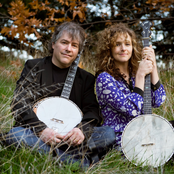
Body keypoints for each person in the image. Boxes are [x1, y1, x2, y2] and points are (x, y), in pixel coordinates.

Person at [5, 21, 115, 168]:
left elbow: (92, 111)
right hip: (39, 135)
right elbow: (19, 103)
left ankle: (52, 156)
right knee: (16, 135)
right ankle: (75, 162)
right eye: (64, 42)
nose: (69, 49)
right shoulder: (34, 67)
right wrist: (41, 130)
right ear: (53, 44)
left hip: (71, 138)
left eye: (74, 45)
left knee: (108, 133)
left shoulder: (86, 78)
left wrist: (81, 131)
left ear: (78, 51)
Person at [93, 23, 166, 149]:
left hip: (144, 134)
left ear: (132, 48)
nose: (123, 49)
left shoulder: (134, 75)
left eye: (127, 44)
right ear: (109, 49)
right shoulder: (105, 79)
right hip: (121, 138)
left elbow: (158, 100)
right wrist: (140, 76)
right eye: (117, 44)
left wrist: (153, 66)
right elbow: (131, 110)